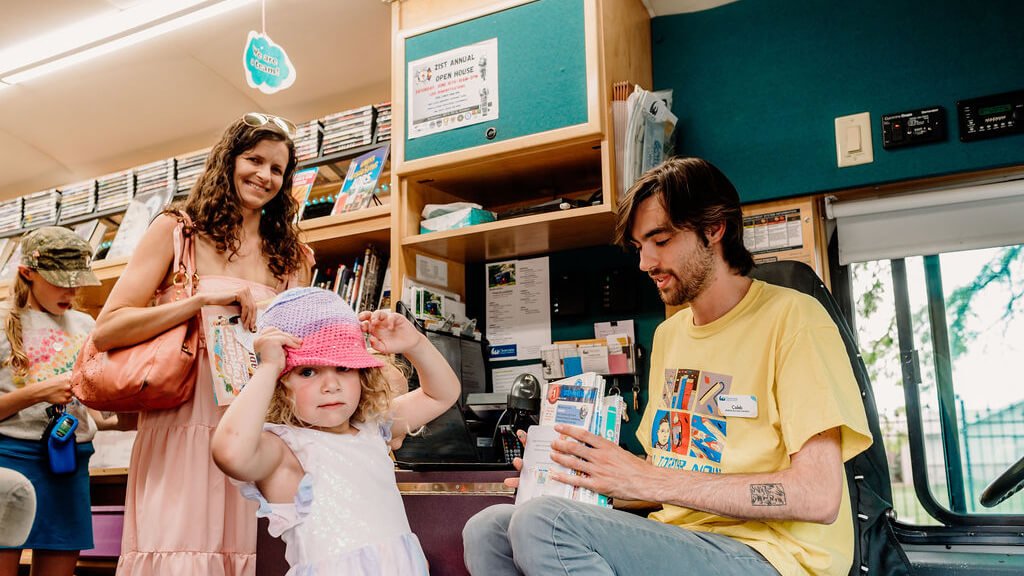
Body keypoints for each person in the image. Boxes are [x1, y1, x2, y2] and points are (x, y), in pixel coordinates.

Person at [463, 157, 873, 576]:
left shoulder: (794, 319)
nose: (645, 263)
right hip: (682, 538)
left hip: (774, 556)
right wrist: (576, 485)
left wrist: (647, 480)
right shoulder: (670, 336)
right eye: (641, 247)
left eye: (660, 240)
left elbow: (818, 496)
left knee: (542, 523)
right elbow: (661, 479)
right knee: (490, 528)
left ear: (714, 229)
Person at [90, 113, 313, 575]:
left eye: (277, 169)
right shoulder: (177, 231)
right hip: (181, 423)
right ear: (227, 161)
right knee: (178, 548)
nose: (264, 176)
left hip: (261, 430)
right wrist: (198, 300)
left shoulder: (294, 256)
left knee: (256, 550)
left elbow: (301, 351)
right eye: (254, 159)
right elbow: (109, 328)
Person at [210, 287, 461, 575]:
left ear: (363, 375)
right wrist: (268, 367)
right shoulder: (285, 451)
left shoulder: (373, 427)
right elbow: (229, 453)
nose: (331, 385)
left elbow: (442, 394)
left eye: (343, 367)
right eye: (307, 371)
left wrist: (415, 343)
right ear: (279, 386)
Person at [0, 227, 117, 576]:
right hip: (10, 462)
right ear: (27, 273)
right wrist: (39, 392)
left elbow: (97, 408)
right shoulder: (5, 322)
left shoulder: (86, 325)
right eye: (60, 281)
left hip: (70, 463)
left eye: (77, 280)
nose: (72, 290)